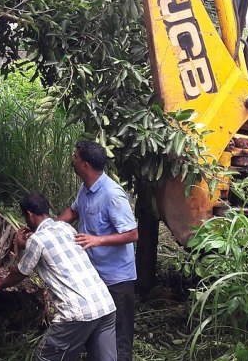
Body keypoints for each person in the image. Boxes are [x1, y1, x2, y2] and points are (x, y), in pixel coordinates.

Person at [0, 192, 117, 361]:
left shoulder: (36, 240)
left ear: (29, 215)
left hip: (77, 313)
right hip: (105, 304)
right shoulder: (66, 228)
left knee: (44, 357)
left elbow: (20, 273)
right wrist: (26, 245)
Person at [58, 141, 138, 361]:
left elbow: (132, 234)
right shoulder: (85, 188)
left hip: (117, 280)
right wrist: (49, 228)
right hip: (95, 276)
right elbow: (72, 212)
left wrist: (97, 240)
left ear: (84, 164)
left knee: (119, 337)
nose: (72, 159)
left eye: (75, 156)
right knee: (98, 333)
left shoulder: (112, 194)